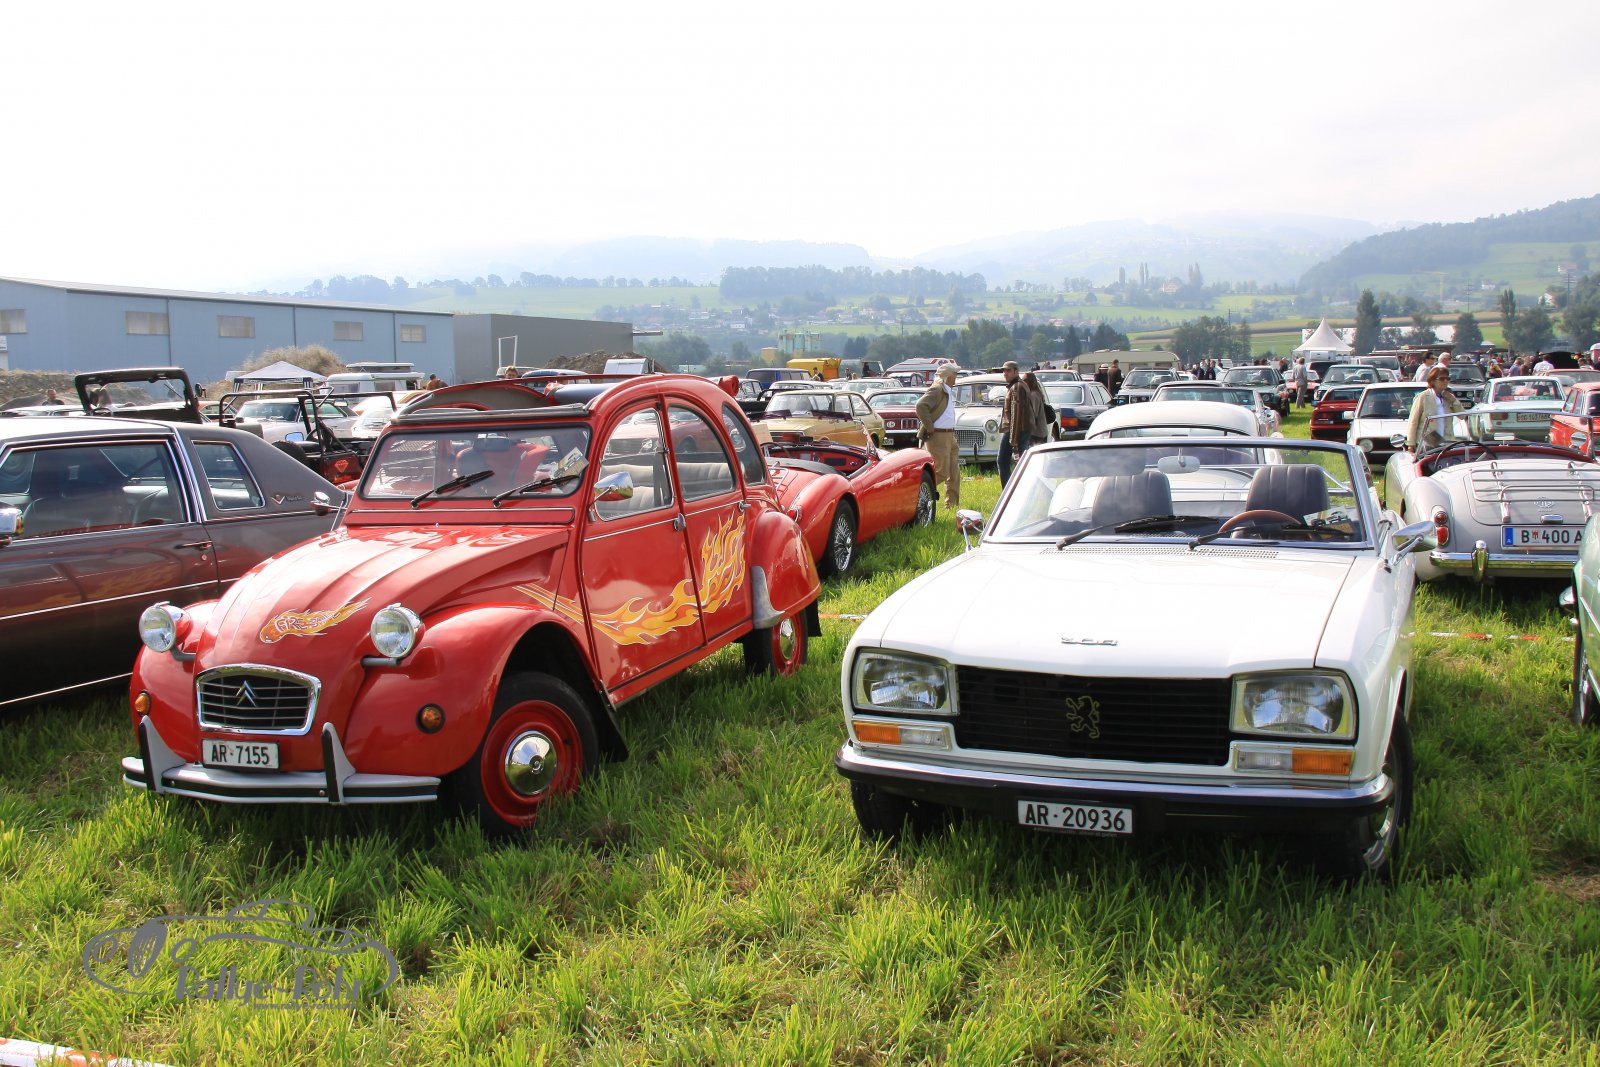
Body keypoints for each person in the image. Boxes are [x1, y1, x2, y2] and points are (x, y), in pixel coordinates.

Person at [915, 363, 962, 510]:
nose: (956, 376)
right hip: (939, 436)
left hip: (949, 435)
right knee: (941, 472)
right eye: (955, 373)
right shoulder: (937, 389)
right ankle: (917, 495)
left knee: (954, 473)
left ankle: (951, 506)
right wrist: (929, 426)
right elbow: (920, 406)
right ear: (948, 376)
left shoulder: (945, 389)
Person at [1406, 365, 1464, 452]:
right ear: (1432, 381)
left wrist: (1453, 401)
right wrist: (1411, 444)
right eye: (1441, 379)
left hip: (1447, 442)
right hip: (1428, 442)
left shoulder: (1449, 397)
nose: (1445, 381)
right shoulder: (1423, 396)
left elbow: (1462, 416)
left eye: (1447, 379)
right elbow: (1413, 421)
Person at [996, 361, 1022, 485]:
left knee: (1002, 461)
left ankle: (1008, 491)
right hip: (1015, 430)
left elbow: (1016, 415)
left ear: (1016, 371)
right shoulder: (1015, 386)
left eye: (1008, 370)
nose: (1005, 373)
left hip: (1013, 430)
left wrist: (1013, 438)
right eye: (1004, 370)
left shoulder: (1016, 387)